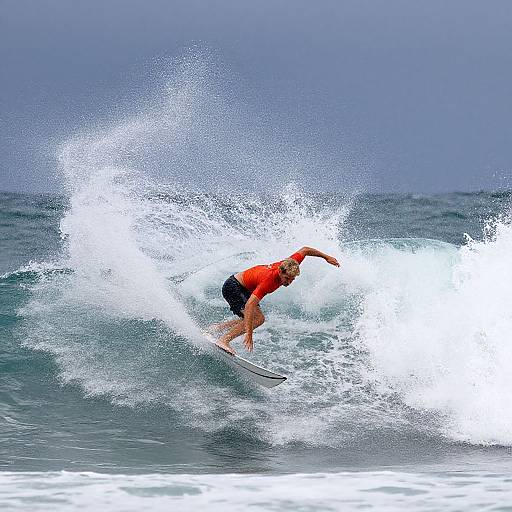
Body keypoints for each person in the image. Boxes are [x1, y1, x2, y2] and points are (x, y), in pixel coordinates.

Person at [211, 246, 340, 354]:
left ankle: (217, 328)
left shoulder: (290, 264)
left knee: (250, 317)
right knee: (257, 319)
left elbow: (305, 250)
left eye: (292, 279)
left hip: (243, 287)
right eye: (286, 278)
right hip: (233, 288)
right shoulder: (269, 280)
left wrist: (326, 257)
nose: (289, 282)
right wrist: (249, 333)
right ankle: (224, 340)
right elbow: (250, 305)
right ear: (280, 272)